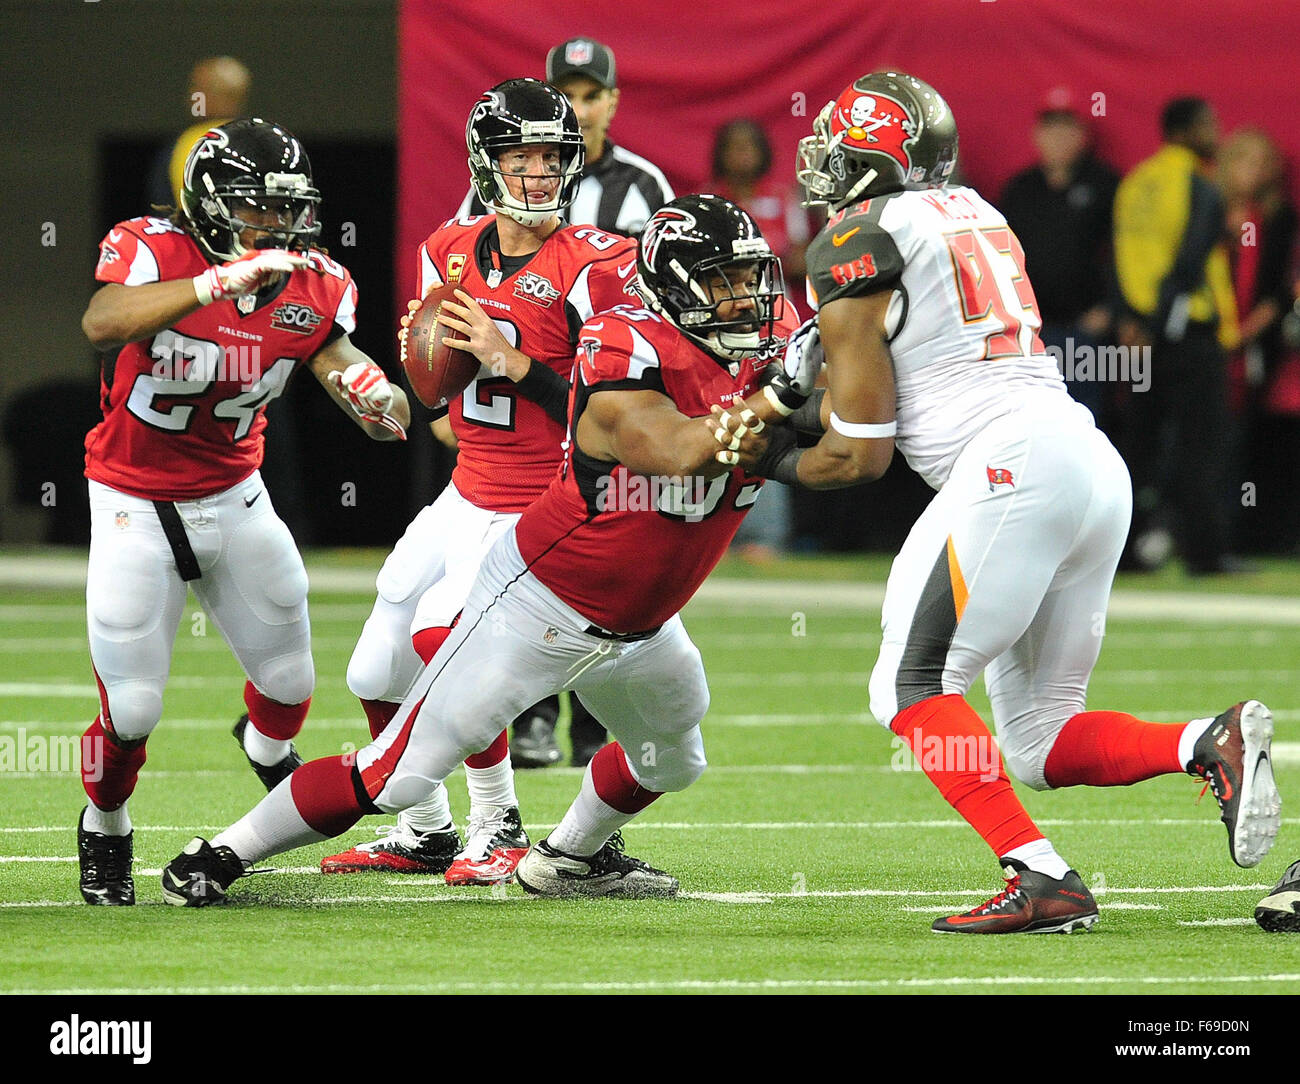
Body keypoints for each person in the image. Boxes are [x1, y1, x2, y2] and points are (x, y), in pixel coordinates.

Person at [722, 71, 1280, 933]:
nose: (825, 172)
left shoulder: (859, 239)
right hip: (1087, 462)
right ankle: (1207, 741)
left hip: (1012, 467)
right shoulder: (978, 207)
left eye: (841, 154)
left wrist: (767, 461)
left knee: (907, 688)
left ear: (876, 162)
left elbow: (859, 457)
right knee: (1036, 742)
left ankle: (1042, 877)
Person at [158, 193, 806, 906]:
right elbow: (676, 453)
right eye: (723, 281)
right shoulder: (624, 340)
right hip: (542, 596)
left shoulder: (772, 338)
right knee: (395, 772)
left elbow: (848, 455)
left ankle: (569, 857)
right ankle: (223, 852)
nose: (745, 298)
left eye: (750, 278)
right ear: (670, 285)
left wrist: (837, 384)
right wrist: (778, 403)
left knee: (671, 759)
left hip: (643, 623)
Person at [76, 118, 411, 906]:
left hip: (234, 493)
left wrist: (376, 395)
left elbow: (341, 358)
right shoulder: (155, 249)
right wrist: (211, 286)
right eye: (260, 209)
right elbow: (101, 322)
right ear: (210, 204)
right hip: (132, 496)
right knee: (131, 710)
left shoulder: (314, 281)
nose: (279, 228)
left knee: (291, 683)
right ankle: (105, 826)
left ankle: (263, 747)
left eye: (290, 210)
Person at [318, 79, 639, 885]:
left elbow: (612, 411)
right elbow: (434, 393)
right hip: (469, 486)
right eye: (521, 155)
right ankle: (424, 830)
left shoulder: (598, 264)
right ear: (485, 161)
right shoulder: (446, 249)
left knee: (438, 633)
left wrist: (516, 361)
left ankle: (495, 823)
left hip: (544, 497)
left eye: (552, 157)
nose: (538, 173)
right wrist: (400, 391)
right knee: (373, 669)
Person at [458, 41, 674, 770]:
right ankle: (528, 721)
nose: (578, 109)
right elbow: (462, 277)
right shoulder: (497, 181)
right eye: (566, 94)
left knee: (596, 560)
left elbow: (661, 297)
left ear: (612, 101)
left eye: (590, 95)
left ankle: (595, 723)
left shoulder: (642, 186)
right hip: (516, 416)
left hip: (597, 400)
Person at [1113, 97, 1242, 573]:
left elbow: (1119, 255)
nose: (1218, 131)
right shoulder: (1200, 186)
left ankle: (1122, 552)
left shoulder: (1135, 182)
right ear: (1187, 131)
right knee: (1200, 445)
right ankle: (1205, 553)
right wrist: (1160, 324)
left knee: (1139, 446)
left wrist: (1132, 320)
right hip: (1186, 332)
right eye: (1210, 124)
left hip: (1136, 336)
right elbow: (1189, 265)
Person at [709, 118, 811, 561]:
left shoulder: (781, 197)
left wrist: (768, 259)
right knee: (719, 416)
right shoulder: (711, 202)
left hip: (771, 329)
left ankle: (766, 534)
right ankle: (712, 526)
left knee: (769, 418)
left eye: (750, 146)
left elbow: (805, 257)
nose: (742, 155)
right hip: (716, 331)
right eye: (734, 146)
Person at [999, 89, 1118, 420]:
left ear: (1082, 135)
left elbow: (1125, 252)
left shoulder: (1107, 185)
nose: (1058, 137)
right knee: (1029, 418)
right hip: (1028, 332)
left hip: (1085, 329)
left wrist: (1111, 309)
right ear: (1037, 135)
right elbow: (998, 253)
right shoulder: (1019, 190)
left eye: (1067, 127)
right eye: (1050, 127)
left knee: (1085, 419)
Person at [1217, 128, 1298, 552]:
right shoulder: (1208, 209)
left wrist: (1247, 332)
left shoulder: (1278, 216)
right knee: (1209, 436)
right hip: (1206, 337)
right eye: (1249, 160)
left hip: (1257, 344)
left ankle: (1246, 533)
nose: (1258, 171)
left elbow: (1281, 289)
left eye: (1266, 163)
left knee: (1249, 437)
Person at [147, 57, 253, 209]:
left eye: (198, 90)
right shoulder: (260, 139)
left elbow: (166, 209)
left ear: (224, 96)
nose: (191, 97)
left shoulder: (191, 142)